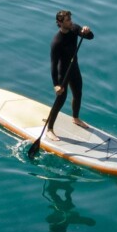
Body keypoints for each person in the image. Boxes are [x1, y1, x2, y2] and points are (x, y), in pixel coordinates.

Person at [28, 9, 94, 158]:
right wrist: (56, 84)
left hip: (74, 69)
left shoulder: (74, 29)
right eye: (67, 21)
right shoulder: (56, 41)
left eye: (70, 19)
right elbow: (53, 64)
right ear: (59, 23)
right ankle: (50, 129)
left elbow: (90, 37)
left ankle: (75, 118)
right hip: (62, 72)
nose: (70, 22)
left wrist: (86, 31)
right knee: (60, 100)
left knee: (78, 93)